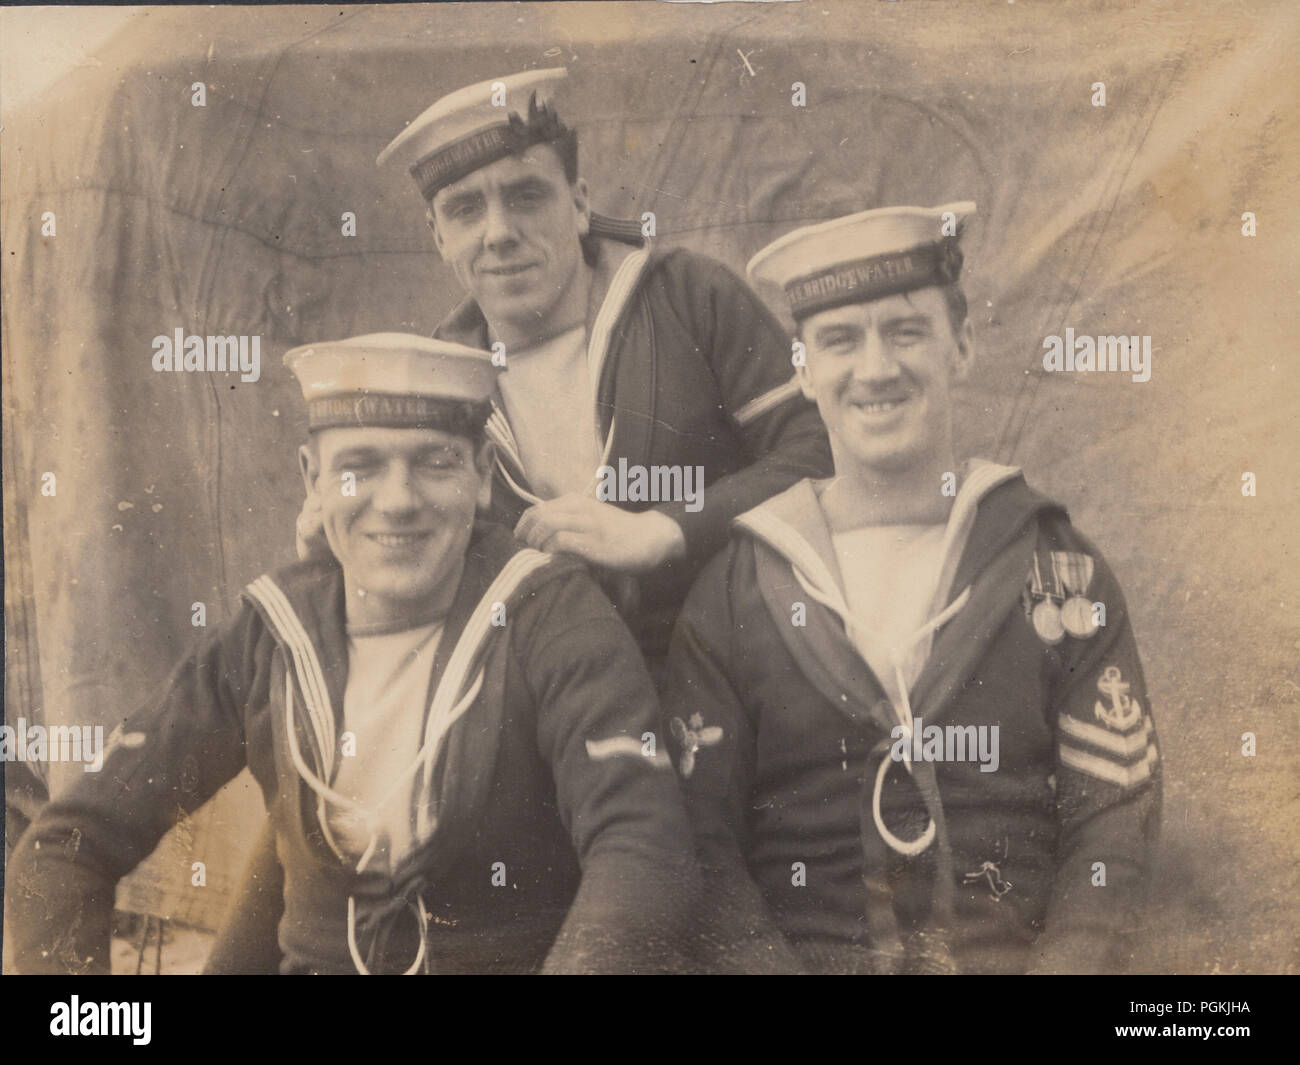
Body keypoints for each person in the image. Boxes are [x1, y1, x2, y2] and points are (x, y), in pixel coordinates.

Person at [8, 333, 698, 975]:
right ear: (311, 479)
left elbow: (643, 852)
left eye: (434, 462)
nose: (397, 501)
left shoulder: (550, 612)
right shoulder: (270, 631)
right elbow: (64, 844)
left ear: (483, 475)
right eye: (358, 467)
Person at [661, 203, 1162, 974]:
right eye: (839, 341)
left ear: (961, 344)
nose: (876, 368)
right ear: (804, 370)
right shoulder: (736, 589)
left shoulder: (1058, 567)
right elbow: (701, 849)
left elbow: (1114, 825)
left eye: (905, 331)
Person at [299, 67, 832, 665]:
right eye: (466, 209)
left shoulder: (688, 296)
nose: (499, 234)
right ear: (438, 237)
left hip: (737, 666)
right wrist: (345, 564)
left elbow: (820, 449)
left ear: (579, 204)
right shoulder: (435, 383)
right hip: (550, 708)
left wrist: (665, 530)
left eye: (527, 196)